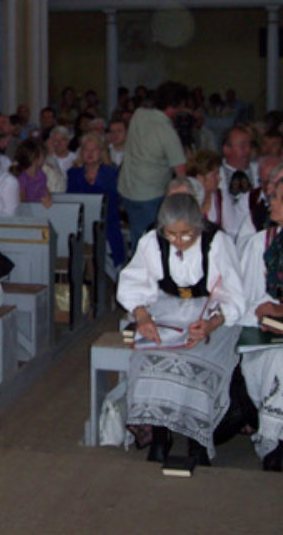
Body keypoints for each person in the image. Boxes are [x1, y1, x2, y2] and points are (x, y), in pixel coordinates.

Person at [117, 193, 245, 464]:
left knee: (196, 360)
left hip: (210, 313)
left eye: (186, 235)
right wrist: (142, 316)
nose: (178, 241)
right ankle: (160, 435)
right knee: (151, 359)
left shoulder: (217, 242)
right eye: (172, 235)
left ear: (198, 226)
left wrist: (211, 324)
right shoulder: (152, 241)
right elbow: (133, 282)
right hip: (167, 308)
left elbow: (233, 294)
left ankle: (196, 440)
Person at [237, 178, 283, 471]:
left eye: (277, 197)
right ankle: (276, 441)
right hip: (269, 334)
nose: (271, 203)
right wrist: (267, 313)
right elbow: (247, 299)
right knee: (273, 359)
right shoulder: (261, 243)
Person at [118, 81, 188, 251]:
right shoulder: (167, 132)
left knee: (138, 235)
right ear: (174, 106)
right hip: (149, 195)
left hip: (127, 188)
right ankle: (142, 274)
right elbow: (181, 173)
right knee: (148, 242)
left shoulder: (139, 114)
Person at [67, 133, 125, 267]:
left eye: (94, 149)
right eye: (86, 149)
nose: (90, 153)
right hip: (81, 223)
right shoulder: (73, 173)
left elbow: (117, 200)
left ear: (101, 152)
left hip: (107, 222)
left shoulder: (111, 173)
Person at [12, 138, 52, 208]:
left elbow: (44, 190)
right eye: (43, 155)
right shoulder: (22, 177)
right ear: (34, 158)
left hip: (39, 208)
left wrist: (47, 200)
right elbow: (22, 200)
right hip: (28, 211)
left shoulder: (41, 174)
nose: (45, 158)